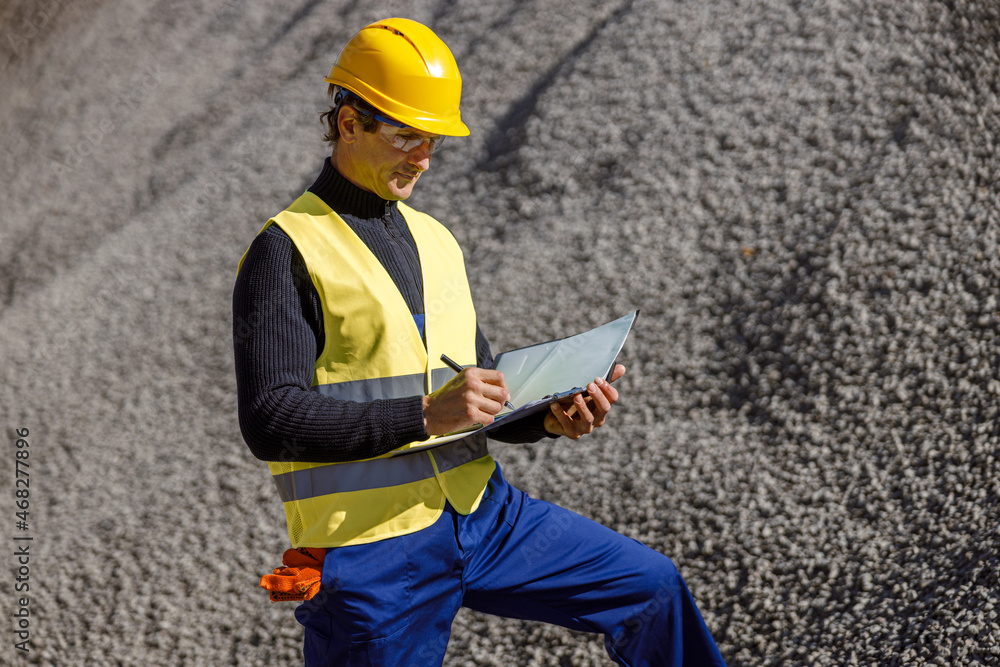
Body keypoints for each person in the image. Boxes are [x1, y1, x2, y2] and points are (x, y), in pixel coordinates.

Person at [232, 17, 727, 667]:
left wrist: (547, 416)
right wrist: (424, 415)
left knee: (652, 588)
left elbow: (480, 391)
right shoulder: (286, 249)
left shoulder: (436, 240)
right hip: (372, 553)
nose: (425, 157)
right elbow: (271, 419)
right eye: (408, 135)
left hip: (485, 515)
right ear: (348, 122)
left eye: (433, 139)